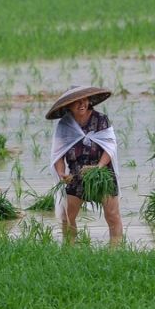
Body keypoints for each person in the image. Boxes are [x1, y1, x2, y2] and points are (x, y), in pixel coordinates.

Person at [48, 86, 123, 246]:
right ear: (68, 106)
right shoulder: (64, 125)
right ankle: (70, 247)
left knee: (112, 215)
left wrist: (99, 167)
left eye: (84, 100)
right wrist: (62, 174)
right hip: (76, 174)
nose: (81, 104)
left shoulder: (101, 119)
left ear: (89, 101)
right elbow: (58, 152)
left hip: (102, 173)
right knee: (67, 216)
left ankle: (116, 249)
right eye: (76, 102)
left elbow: (110, 146)